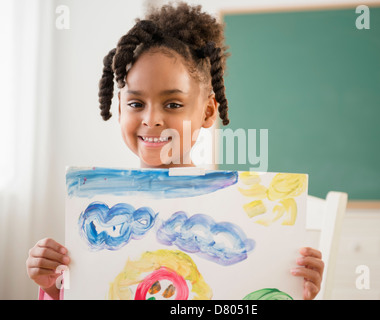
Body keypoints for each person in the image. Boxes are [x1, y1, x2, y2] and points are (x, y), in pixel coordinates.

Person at [26, 1, 324, 300]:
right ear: (119, 109)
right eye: (135, 104)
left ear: (208, 112)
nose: (152, 118)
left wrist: (295, 292)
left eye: (172, 104)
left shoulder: (234, 209)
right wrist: (53, 285)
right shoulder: (94, 209)